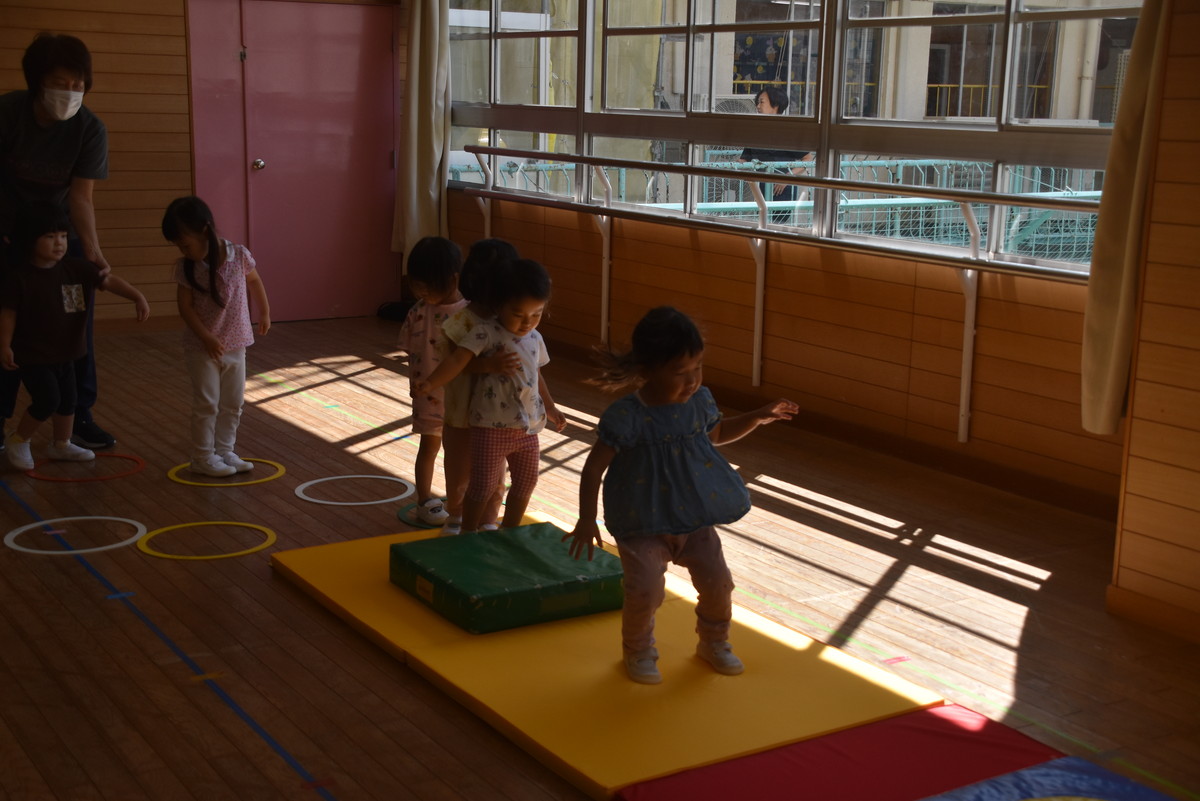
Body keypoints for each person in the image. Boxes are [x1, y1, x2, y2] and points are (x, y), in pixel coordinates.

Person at [564, 306, 798, 684]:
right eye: (679, 371)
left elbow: (716, 435)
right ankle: (638, 650)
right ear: (647, 369)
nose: (692, 380)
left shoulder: (699, 402)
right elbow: (593, 468)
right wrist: (586, 518)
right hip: (642, 521)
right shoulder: (628, 416)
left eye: (697, 367)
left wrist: (755, 416)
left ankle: (714, 642)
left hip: (693, 516)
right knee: (645, 590)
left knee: (719, 583)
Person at [0, 33, 116, 449]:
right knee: (7, 328)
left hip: (60, 238)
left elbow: (81, 198)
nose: (69, 92)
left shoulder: (89, 129)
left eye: (77, 84)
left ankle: (78, 413)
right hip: (8, 236)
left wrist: (93, 253)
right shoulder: (7, 113)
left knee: (74, 326)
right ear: (37, 81)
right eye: (59, 83)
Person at [415, 258, 566, 532]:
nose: (527, 322)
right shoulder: (485, 333)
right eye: (518, 314)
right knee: (482, 485)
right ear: (499, 305)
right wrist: (430, 382)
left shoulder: (535, 338)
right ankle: (469, 531)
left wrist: (551, 407)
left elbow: (535, 376)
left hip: (527, 429)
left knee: (527, 482)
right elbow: (457, 361)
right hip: (489, 428)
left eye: (536, 314)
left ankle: (509, 532)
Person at [0, 202, 148, 469]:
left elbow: (108, 281)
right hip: (33, 355)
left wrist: (136, 296)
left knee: (69, 400)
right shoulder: (20, 278)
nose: (59, 243)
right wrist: (5, 345)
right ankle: (19, 439)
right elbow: (8, 314)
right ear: (30, 240)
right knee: (48, 400)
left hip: (67, 352)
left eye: (63, 236)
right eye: (50, 236)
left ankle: (61, 444)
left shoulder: (76, 269)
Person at [162, 196, 271, 478]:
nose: (183, 251)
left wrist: (265, 312)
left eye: (185, 244)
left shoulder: (239, 255)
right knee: (207, 403)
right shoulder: (187, 267)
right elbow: (185, 308)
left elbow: (254, 280)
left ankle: (225, 451)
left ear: (204, 230)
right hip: (202, 348)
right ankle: (202, 457)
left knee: (233, 402)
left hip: (236, 344)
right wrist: (206, 337)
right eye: (179, 246)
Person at [436, 238, 520, 535]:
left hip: (496, 416)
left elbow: (530, 367)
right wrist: (487, 365)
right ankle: (457, 515)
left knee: (494, 475)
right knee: (460, 470)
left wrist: (547, 405)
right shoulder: (461, 322)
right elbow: (454, 362)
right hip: (462, 412)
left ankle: (488, 519)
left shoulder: (509, 322)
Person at [396, 237, 469, 525]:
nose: (422, 293)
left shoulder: (469, 314)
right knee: (429, 446)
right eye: (418, 287)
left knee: (458, 451)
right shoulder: (418, 311)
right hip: (428, 397)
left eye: (428, 287)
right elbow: (408, 349)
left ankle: (461, 498)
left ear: (453, 279)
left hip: (462, 398)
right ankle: (425, 499)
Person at [738, 86, 811, 224]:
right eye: (757, 103)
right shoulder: (754, 131)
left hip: (782, 190)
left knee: (778, 224)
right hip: (760, 189)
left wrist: (787, 178)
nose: (758, 106)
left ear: (776, 105)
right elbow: (744, 158)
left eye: (762, 102)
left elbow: (807, 159)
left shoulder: (788, 131)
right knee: (761, 222)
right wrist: (738, 165)